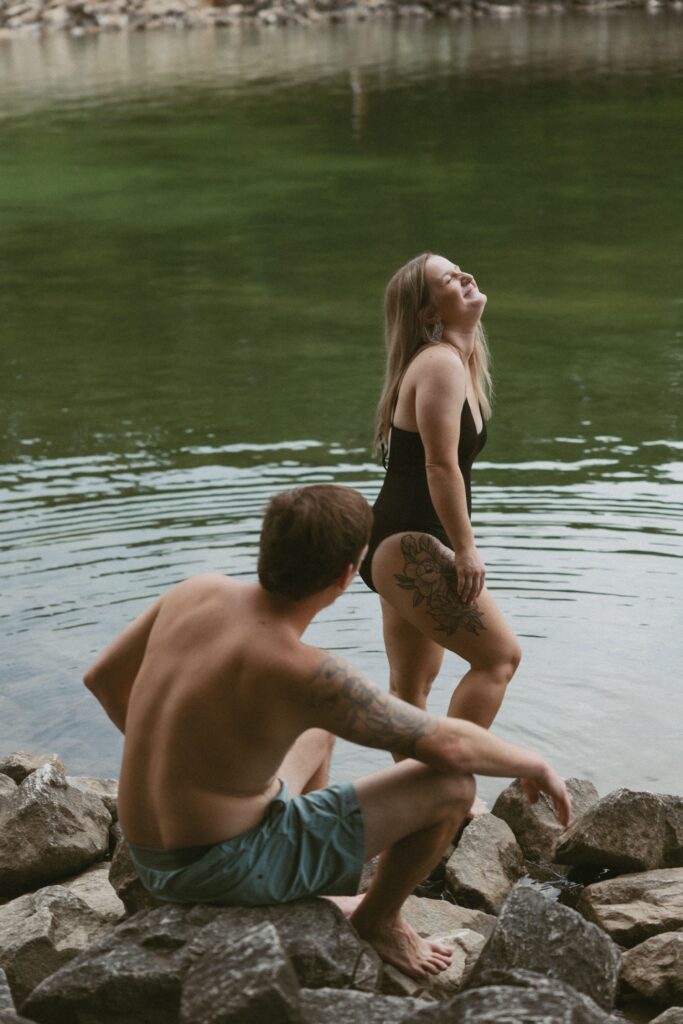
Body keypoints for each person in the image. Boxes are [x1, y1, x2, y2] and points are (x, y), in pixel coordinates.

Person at [84, 484, 570, 981]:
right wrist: (533, 762)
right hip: (218, 868)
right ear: (345, 575)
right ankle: (378, 920)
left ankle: (311, 888)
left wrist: (180, 762)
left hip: (148, 851)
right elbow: (445, 743)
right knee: (449, 786)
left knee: (317, 735)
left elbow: (101, 679)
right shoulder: (302, 672)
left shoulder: (195, 592)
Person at [359, 253, 520, 736]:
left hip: (394, 540)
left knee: (410, 687)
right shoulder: (440, 364)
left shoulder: (453, 363)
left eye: (460, 269)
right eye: (449, 278)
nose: (467, 276)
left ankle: (419, 800)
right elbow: (439, 464)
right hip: (410, 540)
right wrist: (466, 549)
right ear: (429, 313)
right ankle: (449, 783)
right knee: (500, 659)